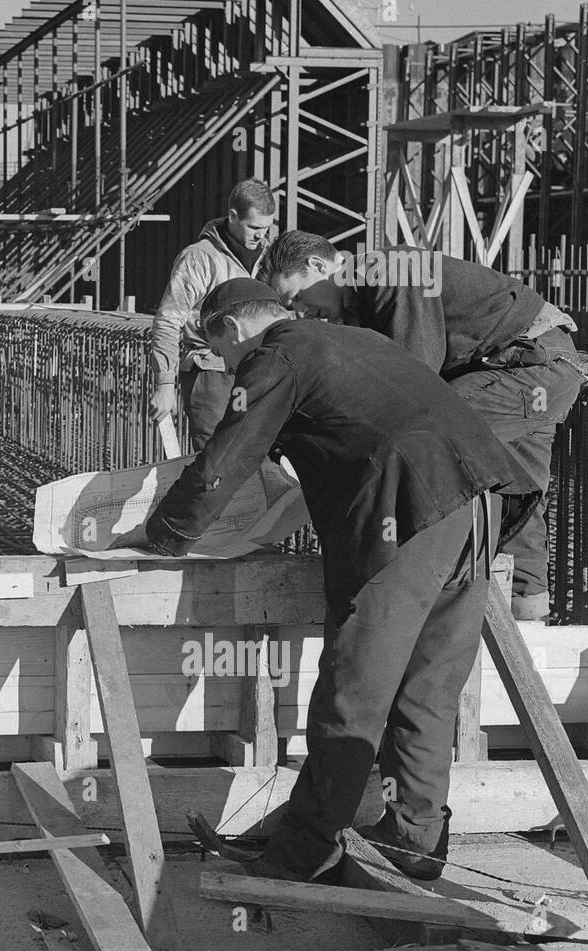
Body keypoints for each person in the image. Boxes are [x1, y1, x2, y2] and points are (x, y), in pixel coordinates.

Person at [142, 279, 538, 883]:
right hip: (480, 506)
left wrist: (164, 533)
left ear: (230, 326)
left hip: (412, 509)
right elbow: (358, 436)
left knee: (354, 689)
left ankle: (302, 853)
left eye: (216, 352)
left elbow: (225, 459)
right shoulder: (350, 340)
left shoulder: (275, 355)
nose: (221, 368)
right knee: (427, 689)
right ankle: (416, 838)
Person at [259, 231, 586, 621]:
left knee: (428, 444)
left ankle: (417, 584)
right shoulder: (364, 295)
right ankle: (529, 621)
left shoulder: (385, 272)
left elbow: (416, 383)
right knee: (518, 486)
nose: (301, 312)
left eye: (296, 297)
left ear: (317, 266)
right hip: (539, 366)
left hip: (530, 365)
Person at [150, 178, 277, 450]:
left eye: (266, 228)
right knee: (217, 458)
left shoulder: (268, 256)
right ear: (233, 216)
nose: (260, 235)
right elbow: (168, 321)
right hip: (211, 373)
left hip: (257, 371)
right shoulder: (198, 258)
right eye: (254, 227)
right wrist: (165, 384)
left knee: (258, 454)